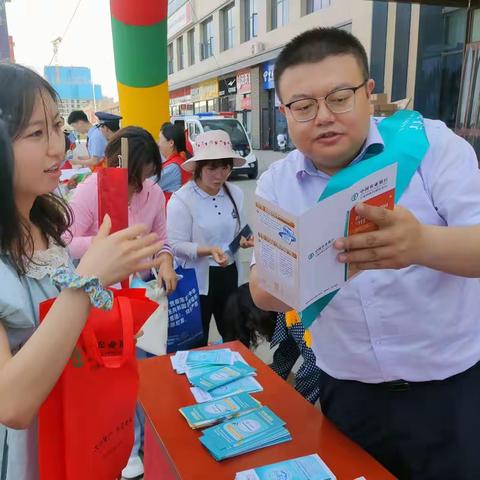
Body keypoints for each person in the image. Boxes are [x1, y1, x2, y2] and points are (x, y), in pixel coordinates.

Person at [250, 27, 480, 479]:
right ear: (284, 111)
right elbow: (263, 292)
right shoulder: (276, 185)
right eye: (303, 106)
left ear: (368, 93)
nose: (323, 117)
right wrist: (313, 272)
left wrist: (421, 245)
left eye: (340, 97)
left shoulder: (432, 146)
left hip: (451, 393)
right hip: (349, 396)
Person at [0, 63, 164, 480]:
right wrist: (88, 281)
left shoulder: (44, 223)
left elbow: (60, 324)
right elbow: (12, 404)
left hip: (76, 435)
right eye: (37, 134)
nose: (58, 147)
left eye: (57, 128)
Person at [66, 125, 177, 479]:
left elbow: (162, 240)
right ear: (116, 166)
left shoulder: (154, 195)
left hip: (141, 298)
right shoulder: (89, 192)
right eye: (134, 179)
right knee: (111, 379)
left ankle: (141, 443)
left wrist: (166, 260)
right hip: (100, 301)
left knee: (142, 373)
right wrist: (112, 249)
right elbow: (67, 242)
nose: (139, 187)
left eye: (146, 178)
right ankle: (120, 448)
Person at [167, 130, 253, 346]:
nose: (219, 175)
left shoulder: (235, 193)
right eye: (212, 168)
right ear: (198, 168)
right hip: (197, 280)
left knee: (235, 335)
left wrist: (245, 239)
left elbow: (241, 228)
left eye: (225, 167)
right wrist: (208, 250)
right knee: (197, 339)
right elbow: (175, 245)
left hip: (229, 274)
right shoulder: (182, 200)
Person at [224, 285, 321, 404]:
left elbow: (315, 363)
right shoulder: (283, 307)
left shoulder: (293, 314)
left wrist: (298, 401)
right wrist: (269, 384)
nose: (255, 331)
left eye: (251, 325)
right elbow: (289, 348)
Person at [157, 122, 192, 203]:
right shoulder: (179, 161)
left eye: (160, 139)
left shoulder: (173, 167)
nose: (158, 144)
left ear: (171, 143)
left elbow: (149, 185)